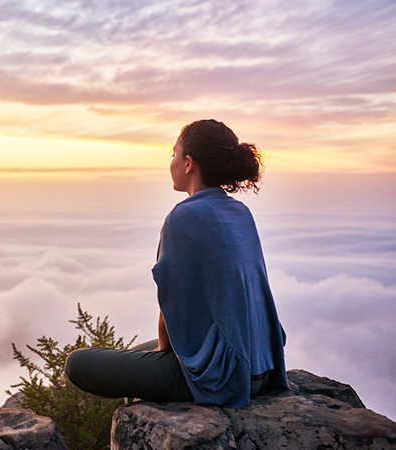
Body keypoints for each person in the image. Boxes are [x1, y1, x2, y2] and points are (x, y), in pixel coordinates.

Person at [64, 119, 288, 408]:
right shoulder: (239, 211)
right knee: (134, 353)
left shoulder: (184, 217)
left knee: (79, 363)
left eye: (174, 154)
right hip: (262, 364)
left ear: (188, 163)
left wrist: (163, 357)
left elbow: (172, 309)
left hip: (226, 377)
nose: (171, 161)